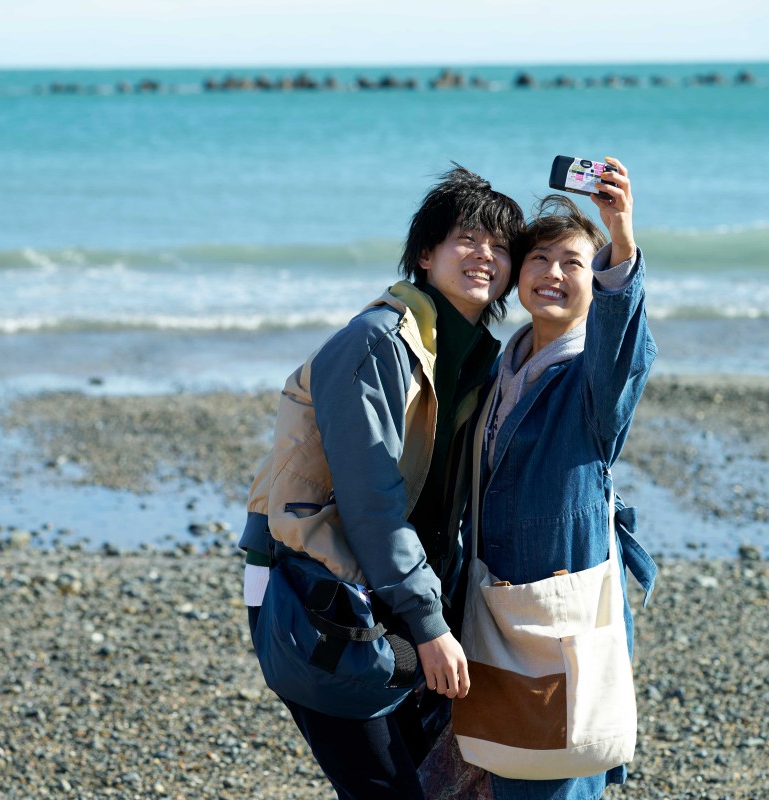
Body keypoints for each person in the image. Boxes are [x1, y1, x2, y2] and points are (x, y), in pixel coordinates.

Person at [239, 165, 526, 800]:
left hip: (393, 588)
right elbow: (372, 501)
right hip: (317, 589)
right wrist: (428, 626)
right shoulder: (376, 344)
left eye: (501, 246)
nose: (486, 255)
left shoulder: (478, 358)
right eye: (467, 240)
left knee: (436, 782)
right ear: (426, 254)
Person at [419, 157, 659, 800]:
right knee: (498, 758)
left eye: (573, 263)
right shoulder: (500, 367)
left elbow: (623, 345)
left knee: (557, 765)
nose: (553, 274)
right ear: (518, 274)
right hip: (492, 602)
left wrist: (621, 234)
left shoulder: (592, 379)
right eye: (539, 259)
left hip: (561, 607)